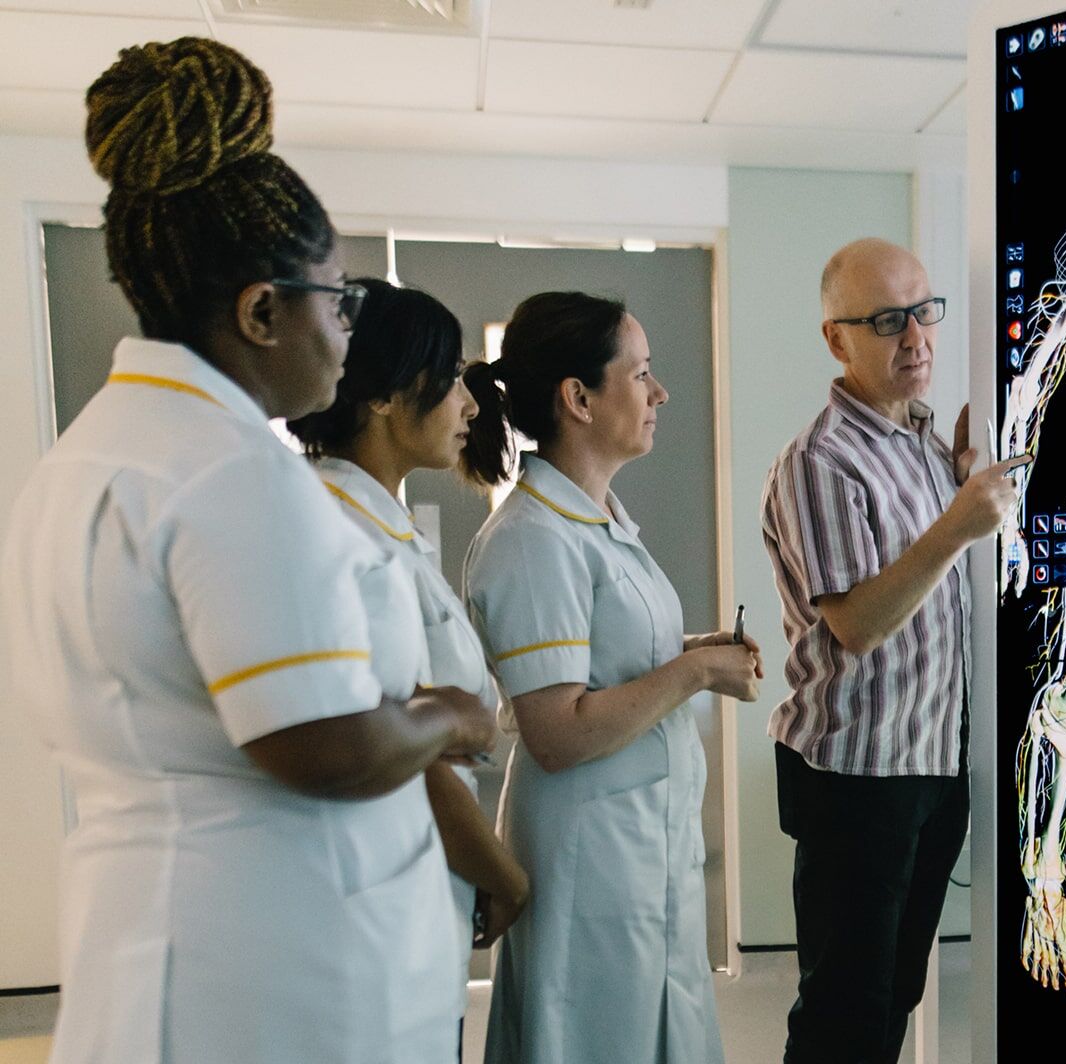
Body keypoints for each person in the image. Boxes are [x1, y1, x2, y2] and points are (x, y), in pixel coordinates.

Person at [0, 38, 496, 1063]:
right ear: (262, 309)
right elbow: (324, 745)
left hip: (180, 945)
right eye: (339, 300)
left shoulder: (94, 451)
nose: (349, 331)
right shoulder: (231, 472)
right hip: (275, 980)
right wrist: (446, 713)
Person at [460, 291, 760, 1064]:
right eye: (643, 374)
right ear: (579, 398)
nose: (660, 393)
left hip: (637, 851)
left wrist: (699, 651)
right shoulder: (533, 540)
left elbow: (602, 661)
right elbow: (557, 730)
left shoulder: (594, 522)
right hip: (588, 857)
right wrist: (693, 669)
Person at [760, 238, 1028, 1063]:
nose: (914, 337)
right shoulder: (820, 461)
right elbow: (859, 624)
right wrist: (957, 526)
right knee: (844, 1013)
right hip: (855, 781)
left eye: (923, 311)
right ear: (837, 340)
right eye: (885, 321)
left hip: (930, 768)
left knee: (894, 1001)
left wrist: (952, 483)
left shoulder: (917, 441)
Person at [284, 278, 530, 1056]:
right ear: (387, 396)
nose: (469, 404)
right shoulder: (334, 529)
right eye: (451, 376)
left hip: (420, 885)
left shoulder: (381, 522)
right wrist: (506, 873)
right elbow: (398, 749)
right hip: (382, 886)